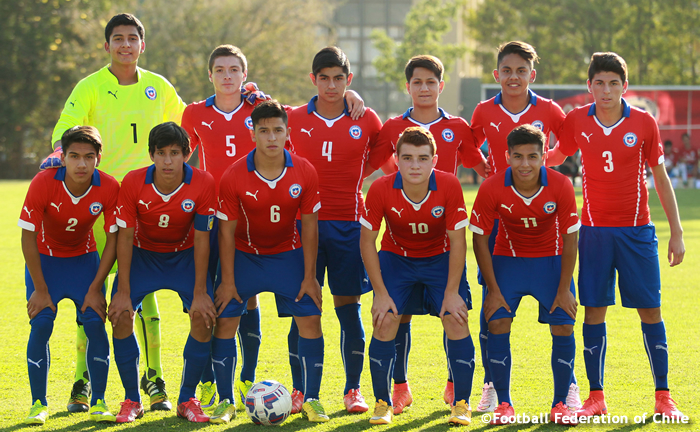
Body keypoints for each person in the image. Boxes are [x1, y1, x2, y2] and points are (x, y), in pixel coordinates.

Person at [181, 45, 367, 412]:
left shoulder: (265, 114)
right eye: (220, 70)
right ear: (211, 75)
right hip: (221, 226)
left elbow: (309, 226)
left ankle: (297, 393)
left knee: (307, 312)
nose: (228, 76)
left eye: (234, 69)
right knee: (218, 308)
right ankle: (216, 394)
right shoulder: (198, 119)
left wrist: (349, 94)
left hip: (283, 246)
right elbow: (179, 161)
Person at [45, 13, 187, 412]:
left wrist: (241, 94)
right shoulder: (90, 86)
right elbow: (65, 129)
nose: (125, 45)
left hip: (146, 205)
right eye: (118, 39)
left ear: (143, 44)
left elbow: (190, 125)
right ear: (106, 46)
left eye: (132, 39)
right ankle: (82, 380)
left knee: (143, 297)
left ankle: (154, 380)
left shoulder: (159, 88)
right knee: (92, 294)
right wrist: (58, 156)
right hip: (99, 206)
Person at [550, 52, 686, 420]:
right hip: (593, 232)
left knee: (651, 311)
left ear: (625, 86)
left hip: (637, 231)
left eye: (614, 83)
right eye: (599, 83)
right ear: (589, 86)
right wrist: (518, 160)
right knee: (593, 311)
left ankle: (663, 396)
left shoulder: (643, 122)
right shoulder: (577, 120)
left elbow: (660, 177)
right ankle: (596, 397)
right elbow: (556, 156)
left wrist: (676, 231)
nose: (606, 90)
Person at [470, 41, 581, 413]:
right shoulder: (484, 110)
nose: (514, 77)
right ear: (497, 74)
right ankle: (493, 386)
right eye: (507, 70)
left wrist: (542, 168)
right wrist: (490, 172)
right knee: (494, 310)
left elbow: (567, 141)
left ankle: (567, 390)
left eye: (521, 71)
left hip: (544, 224)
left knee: (563, 317)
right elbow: (469, 146)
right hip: (501, 218)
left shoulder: (548, 110)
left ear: (532, 74)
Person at [375, 54, 487, 413]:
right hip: (400, 238)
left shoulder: (457, 125)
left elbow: (480, 163)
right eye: (417, 82)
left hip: (444, 236)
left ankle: (456, 386)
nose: (424, 88)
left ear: (441, 85)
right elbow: (368, 160)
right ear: (407, 87)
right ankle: (399, 386)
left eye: (430, 82)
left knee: (451, 310)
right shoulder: (392, 127)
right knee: (397, 314)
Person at [286, 46, 392, 414]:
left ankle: (353, 390)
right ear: (312, 80)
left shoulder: (366, 119)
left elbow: (379, 153)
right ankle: (300, 391)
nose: (332, 85)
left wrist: (358, 178)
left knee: (349, 310)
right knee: (304, 308)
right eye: (324, 78)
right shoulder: (293, 118)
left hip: (349, 224)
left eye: (339, 79)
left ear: (349, 80)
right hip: (303, 227)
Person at [213, 100, 329, 423]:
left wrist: (309, 276)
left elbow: (309, 228)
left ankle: (311, 398)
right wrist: (227, 279)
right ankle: (225, 401)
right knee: (225, 320)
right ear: (252, 134)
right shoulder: (234, 175)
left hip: (287, 256)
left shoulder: (304, 171)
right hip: (245, 257)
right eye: (263, 131)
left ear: (288, 133)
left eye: (278, 130)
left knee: (310, 318)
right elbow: (226, 233)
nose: (271, 137)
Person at [360, 127, 474, 426]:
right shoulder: (381, 188)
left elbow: (459, 242)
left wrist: (452, 292)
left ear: (434, 160)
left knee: (455, 316)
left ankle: (461, 402)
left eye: (422, 158)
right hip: (397, 260)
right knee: (385, 319)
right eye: (407, 158)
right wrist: (380, 293)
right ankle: (383, 402)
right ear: (396, 159)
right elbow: (367, 241)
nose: (414, 165)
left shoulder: (449, 185)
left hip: (440, 259)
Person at [107, 122, 218, 423]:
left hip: (184, 257)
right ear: (151, 155)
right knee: (119, 314)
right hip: (143, 256)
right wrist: (124, 292)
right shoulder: (132, 182)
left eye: (174, 153)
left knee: (203, 316)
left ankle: (187, 399)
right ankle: (133, 399)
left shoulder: (204, 183)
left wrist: (199, 293)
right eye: (161, 154)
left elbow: (202, 239)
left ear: (186, 154)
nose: (168, 161)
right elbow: (125, 237)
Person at [19, 126, 120, 424]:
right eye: (74, 156)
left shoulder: (108, 187)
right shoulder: (43, 183)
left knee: (94, 323)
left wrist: (96, 286)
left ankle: (99, 400)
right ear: (62, 157)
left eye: (89, 157)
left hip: (83, 262)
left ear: (99, 158)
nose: (81, 164)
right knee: (41, 324)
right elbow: (27, 236)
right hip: (45, 264)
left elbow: (113, 240)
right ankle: (38, 403)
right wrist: (39, 288)